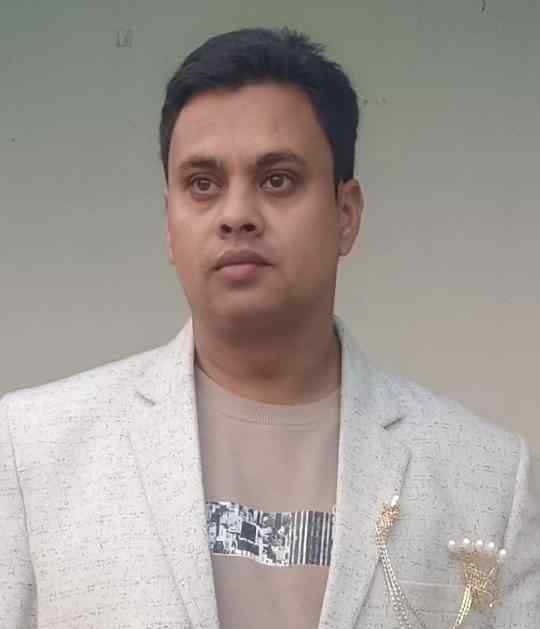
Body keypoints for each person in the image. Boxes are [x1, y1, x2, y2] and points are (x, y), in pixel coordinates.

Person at [1, 26, 539, 629]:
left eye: (277, 179)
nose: (236, 215)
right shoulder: (30, 451)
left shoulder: (486, 478)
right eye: (202, 184)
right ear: (169, 225)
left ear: (345, 214)